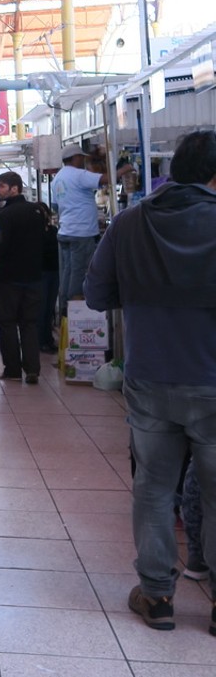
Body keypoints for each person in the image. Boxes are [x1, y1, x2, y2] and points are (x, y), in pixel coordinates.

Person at [84, 128, 216, 633]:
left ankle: (158, 595)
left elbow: (96, 294)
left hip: (152, 377)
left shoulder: (130, 222)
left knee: (154, 489)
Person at [52, 145, 132, 315]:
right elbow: (106, 179)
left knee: (67, 270)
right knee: (79, 270)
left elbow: (55, 205)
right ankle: (74, 308)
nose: (83, 160)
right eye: (81, 157)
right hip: (81, 231)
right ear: (75, 158)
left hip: (66, 230)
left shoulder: (58, 178)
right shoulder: (78, 174)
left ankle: (65, 307)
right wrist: (125, 169)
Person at [0, 171, 46, 384]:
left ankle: (13, 369)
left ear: (15, 188)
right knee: (29, 324)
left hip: (9, 277)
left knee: (7, 323)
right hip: (33, 276)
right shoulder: (37, 211)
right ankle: (33, 369)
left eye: (1, 186)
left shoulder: (5, 215)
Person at [36, 203, 60, 354]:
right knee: (41, 307)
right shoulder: (32, 233)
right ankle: (41, 340)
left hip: (54, 271)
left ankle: (48, 338)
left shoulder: (53, 230)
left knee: (50, 307)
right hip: (40, 273)